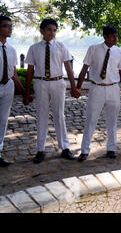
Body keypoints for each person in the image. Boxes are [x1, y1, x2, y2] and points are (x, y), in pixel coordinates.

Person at [23, 18, 80, 164]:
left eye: (54, 30)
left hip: (57, 82)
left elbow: (68, 68)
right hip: (41, 83)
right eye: (49, 29)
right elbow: (30, 71)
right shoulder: (34, 48)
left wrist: (73, 87)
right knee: (41, 115)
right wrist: (27, 92)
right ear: (42, 31)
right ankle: (40, 150)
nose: (52, 33)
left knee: (59, 115)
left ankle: (65, 147)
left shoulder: (61, 46)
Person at [76, 25, 121, 162]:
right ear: (105, 36)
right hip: (97, 88)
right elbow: (84, 68)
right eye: (112, 36)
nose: (115, 38)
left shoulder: (119, 52)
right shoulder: (93, 49)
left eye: (116, 36)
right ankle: (84, 150)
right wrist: (78, 87)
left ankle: (111, 148)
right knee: (91, 119)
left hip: (113, 88)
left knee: (112, 120)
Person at [0, 15, 25, 167]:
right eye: (6, 25)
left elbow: (14, 73)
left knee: (2, 121)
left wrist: (23, 92)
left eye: (11, 26)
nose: (10, 28)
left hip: (8, 86)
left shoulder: (11, 50)